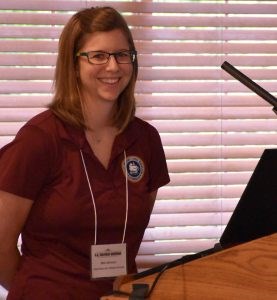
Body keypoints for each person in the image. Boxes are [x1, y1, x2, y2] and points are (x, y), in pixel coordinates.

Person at [0, 6, 170, 300]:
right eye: (98, 56)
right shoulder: (40, 140)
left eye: (122, 54)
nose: (113, 67)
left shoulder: (146, 140)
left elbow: (130, 238)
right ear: (73, 63)